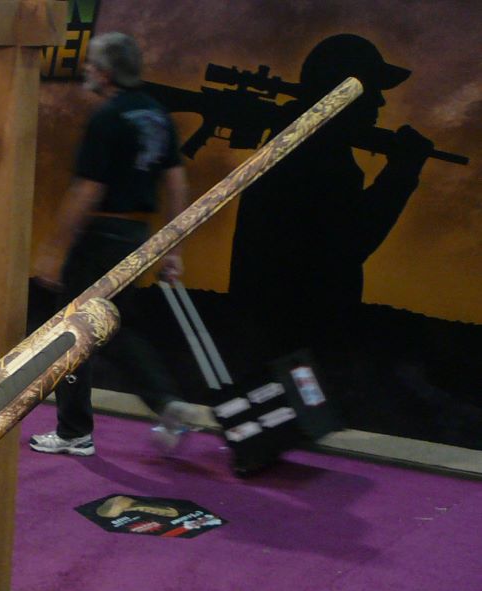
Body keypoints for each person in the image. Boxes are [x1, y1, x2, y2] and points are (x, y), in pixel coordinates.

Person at [30, 30, 197, 456]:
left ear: (104, 73)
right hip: (135, 238)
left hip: (100, 237)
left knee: (73, 331)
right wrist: (173, 247)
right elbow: (176, 184)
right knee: (115, 328)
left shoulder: (107, 119)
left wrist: (54, 251)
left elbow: (87, 190)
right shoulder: (157, 115)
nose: (85, 69)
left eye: (91, 63)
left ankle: (74, 432)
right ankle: (166, 401)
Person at [228, 34, 434, 353]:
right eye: (372, 89)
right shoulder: (315, 154)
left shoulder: (300, 143)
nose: (380, 102)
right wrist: (401, 173)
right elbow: (348, 244)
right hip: (292, 338)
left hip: (277, 335)